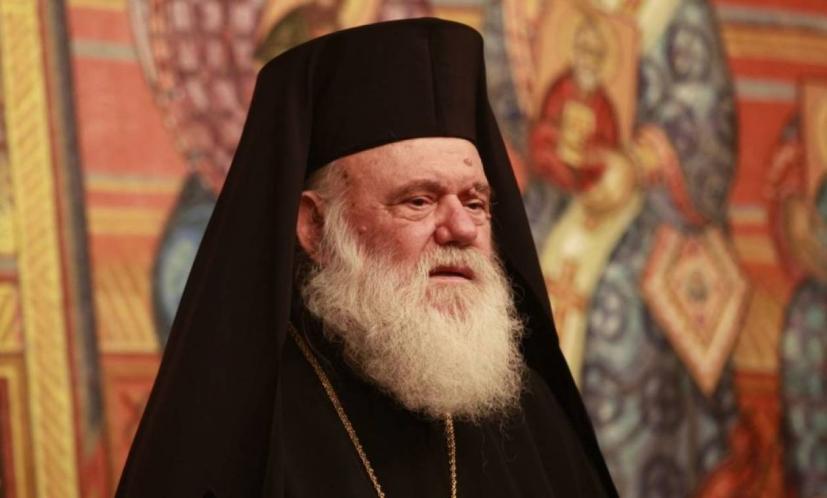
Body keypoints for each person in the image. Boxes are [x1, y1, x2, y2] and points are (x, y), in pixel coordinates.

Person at [116, 18, 617, 497]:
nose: (462, 229)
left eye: (475, 203)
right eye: (418, 201)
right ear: (315, 227)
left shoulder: (528, 412)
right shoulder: (243, 429)